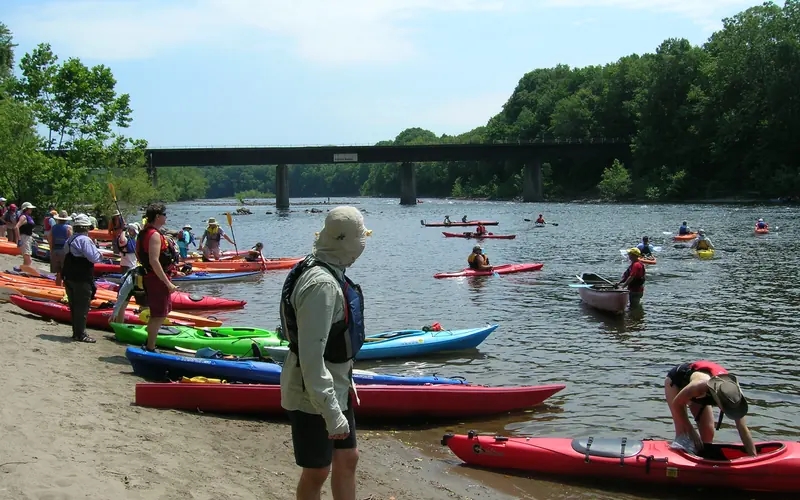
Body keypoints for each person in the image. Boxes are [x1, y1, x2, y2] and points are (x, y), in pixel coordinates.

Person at [279, 206, 369, 500]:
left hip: (336, 385)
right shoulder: (322, 285)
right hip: (312, 393)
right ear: (347, 242)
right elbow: (311, 359)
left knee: (348, 457)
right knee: (317, 470)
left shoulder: (327, 267)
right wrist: (331, 412)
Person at [665, 361, 755, 457]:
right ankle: (678, 462)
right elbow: (676, 404)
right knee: (684, 433)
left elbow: (743, 429)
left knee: (708, 432)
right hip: (676, 382)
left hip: (699, 392)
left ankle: (702, 462)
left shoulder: (734, 396)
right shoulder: (700, 385)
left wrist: (754, 458)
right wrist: (691, 430)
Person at [135, 203, 179, 352]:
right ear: (158, 217)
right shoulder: (153, 234)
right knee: (159, 314)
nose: (166, 217)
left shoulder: (144, 232)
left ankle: (149, 342)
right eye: (165, 215)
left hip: (152, 277)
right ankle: (150, 347)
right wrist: (168, 283)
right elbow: (154, 260)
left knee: (159, 312)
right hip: (156, 279)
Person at [61, 214, 103, 343]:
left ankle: (76, 333)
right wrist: (99, 252)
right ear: (86, 228)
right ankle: (81, 334)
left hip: (69, 277)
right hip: (81, 278)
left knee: (74, 306)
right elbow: (94, 258)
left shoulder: (69, 240)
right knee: (82, 307)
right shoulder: (84, 240)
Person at [49, 211, 73, 286]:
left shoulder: (53, 228)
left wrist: (51, 250)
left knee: (58, 273)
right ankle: (64, 289)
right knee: (65, 272)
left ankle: (57, 287)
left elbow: (50, 240)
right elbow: (70, 240)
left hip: (55, 250)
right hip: (64, 251)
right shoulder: (69, 228)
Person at [15, 202, 37, 267]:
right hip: (24, 238)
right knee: (28, 259)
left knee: (27, 257)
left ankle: (23, 270)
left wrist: (32, 239)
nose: (31, 210)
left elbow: (27, 229)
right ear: (26, 209)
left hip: (28, 238)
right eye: (30, 208)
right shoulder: (23, 217)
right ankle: (26, 271)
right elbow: (16, 227)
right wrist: (19, 240)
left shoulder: (28, 217)